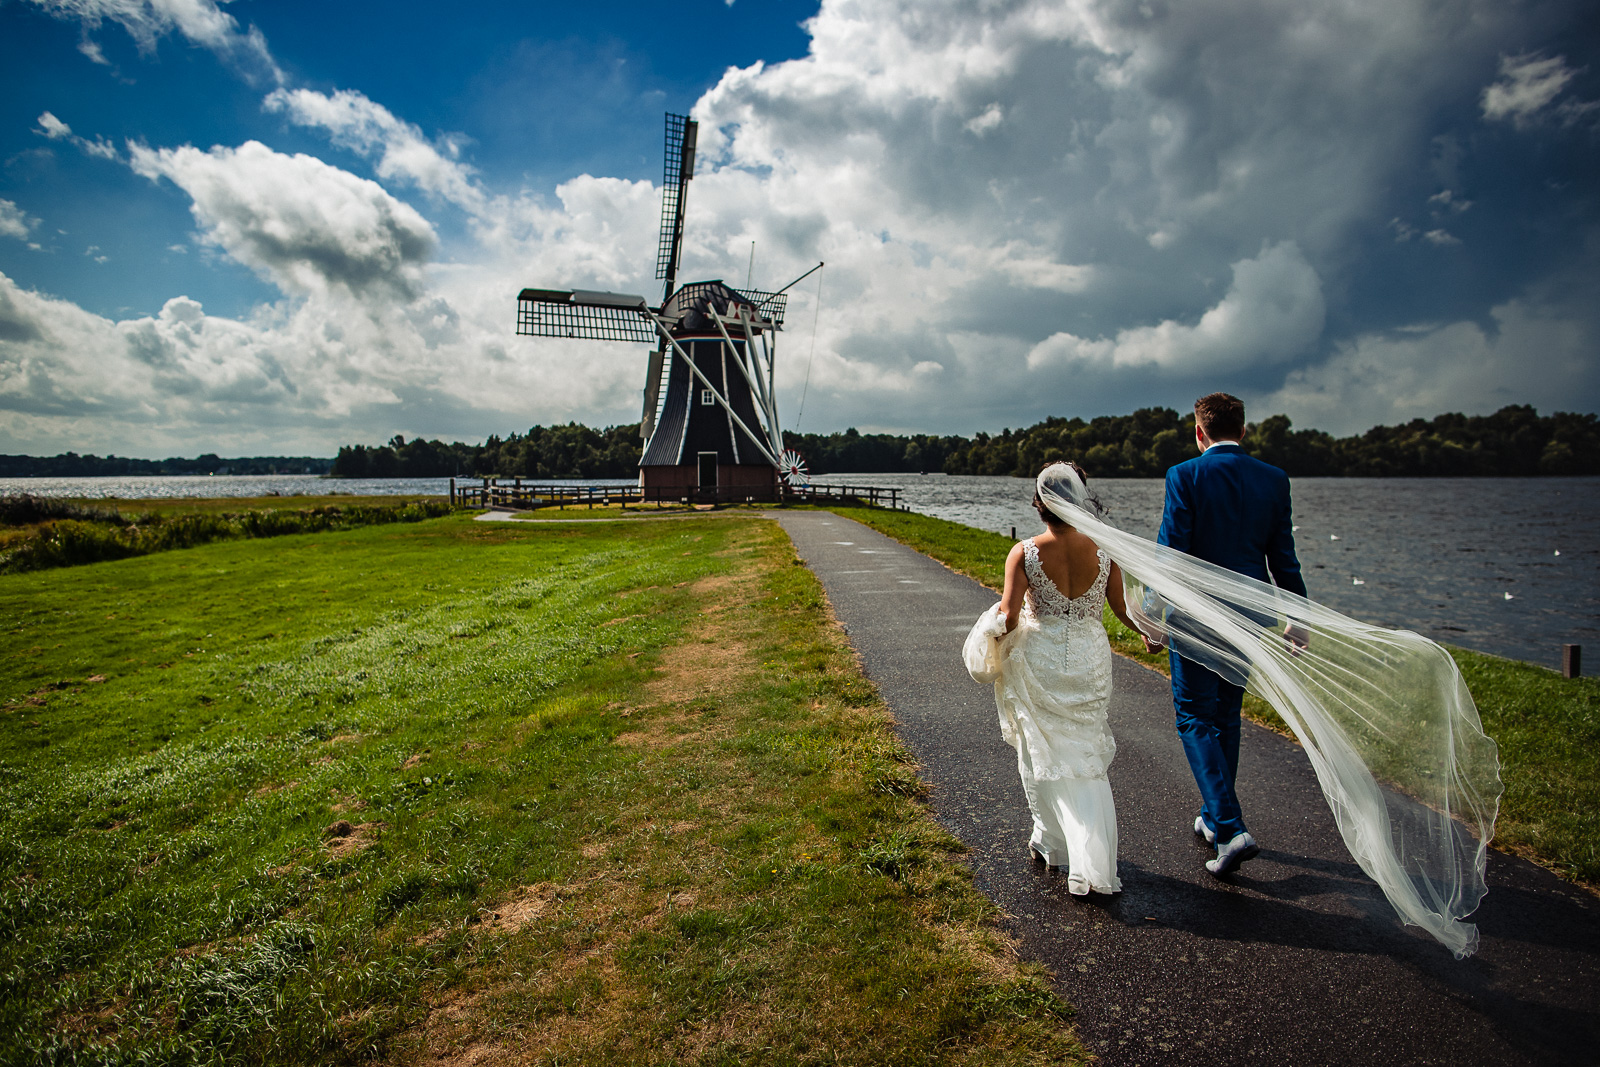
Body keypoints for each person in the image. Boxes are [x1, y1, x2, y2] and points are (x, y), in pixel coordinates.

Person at [987, 462, 1159, 896]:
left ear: (1040, 502)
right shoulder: (1104, 549)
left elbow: (1007, 617)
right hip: (1089, 658)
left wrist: (986, 638)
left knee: (1041, 749)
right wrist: (1148, 633)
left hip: (1041, 658)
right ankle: (1080, 852)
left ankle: (1053, 844)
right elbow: (1122, 609)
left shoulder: (1024, 552)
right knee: (1083, 752)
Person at [1155, 392, 1308, 876]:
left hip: (1197, 618)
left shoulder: (1185, 475)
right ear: (1243, 431)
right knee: (1226, 717)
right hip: (1248, 620)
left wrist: (1154, 617)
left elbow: (1170, 553)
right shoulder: (1274, 479)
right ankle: (1211, 814)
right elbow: (1283, 556)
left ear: (1198, 432)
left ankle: (1229, 826)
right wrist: (1296, 616)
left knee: (1194, 718)